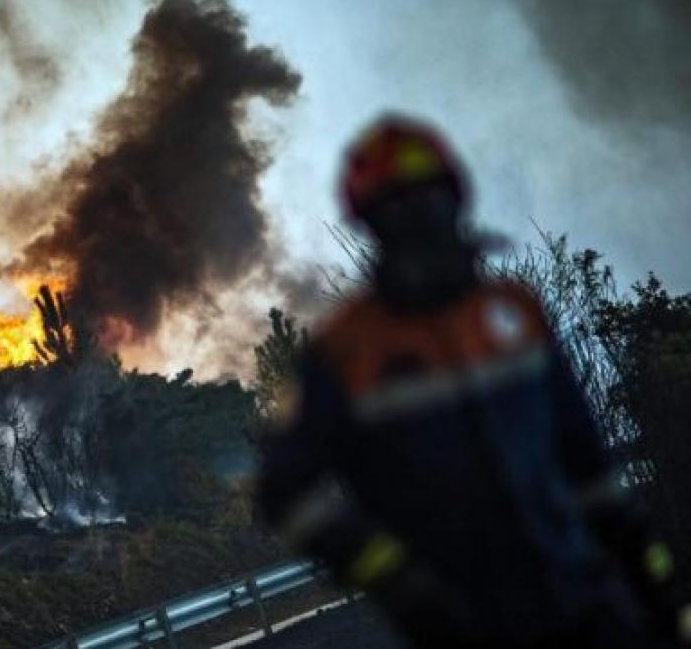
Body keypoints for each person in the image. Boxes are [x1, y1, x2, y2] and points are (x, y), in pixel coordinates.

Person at [255, 114, 687, 648]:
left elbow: (588, 464)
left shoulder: (515, 311)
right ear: (368, 221)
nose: (418, 217)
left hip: (583, 599)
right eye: (395, 205)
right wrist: (393, 577)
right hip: (462, 626)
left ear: (456, 197)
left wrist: (651, 579)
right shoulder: (345, 350)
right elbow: (284, 488)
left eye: (429, 196)